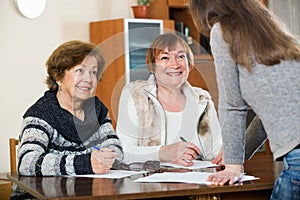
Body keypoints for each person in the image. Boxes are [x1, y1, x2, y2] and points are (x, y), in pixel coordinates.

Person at [189, 0, 300, 199]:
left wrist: (233, 166)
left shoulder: (222, 31)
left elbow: (232, 105)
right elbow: (270, 114)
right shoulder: (272, 29)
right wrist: (237, 154)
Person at [12, 40, 124, 198]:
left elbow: (116, 150)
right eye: (80, 70)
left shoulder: (96, 109)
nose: (89, 79)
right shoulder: (41, 113)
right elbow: (27, 162)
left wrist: (106, 157)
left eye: (93, 72)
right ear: (58, 77)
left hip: (88, 194)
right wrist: (85, 163)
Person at [116, 32, 223, 167]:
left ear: (189, 63)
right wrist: (163, 153)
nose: (175, 64)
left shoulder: (203, 100)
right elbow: (122, 152)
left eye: (180, 57)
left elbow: (217, 149)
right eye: (165, 58)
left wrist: (224, 155)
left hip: (201, 182)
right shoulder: (135, 95)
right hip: (150, 185)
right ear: (152, 67)